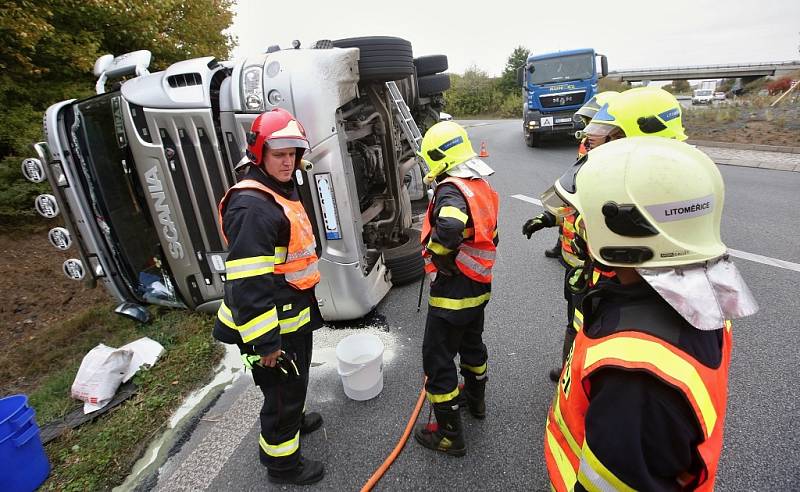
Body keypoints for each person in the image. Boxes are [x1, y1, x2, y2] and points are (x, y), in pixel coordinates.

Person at [541, 137, 758, 491]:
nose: (577, 226)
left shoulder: (635, 377)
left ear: (625, 231)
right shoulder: (696, 297)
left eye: (583, 218)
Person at [523, 87, 687, 382]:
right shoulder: (621, 169)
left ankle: (584, 379)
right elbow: (579, 204)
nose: (593, 138)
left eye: (607, 134)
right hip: (597, 270)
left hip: (628, 288)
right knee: (582, 324)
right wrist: (550, 218)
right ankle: (573, 375)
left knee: (612, 348)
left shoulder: (667, 182)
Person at [212, 108, 325, 485]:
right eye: (279, 154)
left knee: (292, 386)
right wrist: (266, 344)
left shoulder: (278, 187)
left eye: (293, 153)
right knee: (280, 396)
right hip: (268, 327)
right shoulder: (253, 207)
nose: (288, 161)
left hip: (289, 313)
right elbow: (248, 283)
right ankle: (282, 465)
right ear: (259, 153)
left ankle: (292, 423)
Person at [413, 121, 499, 457]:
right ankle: (476, 402)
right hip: (478, 287)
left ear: (437, 156)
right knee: (472, 345)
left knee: (437, 360)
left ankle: (449, 435)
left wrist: (438, 256)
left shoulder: (451, 189)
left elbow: (449, 226)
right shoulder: (478, 183)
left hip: (453, 293)